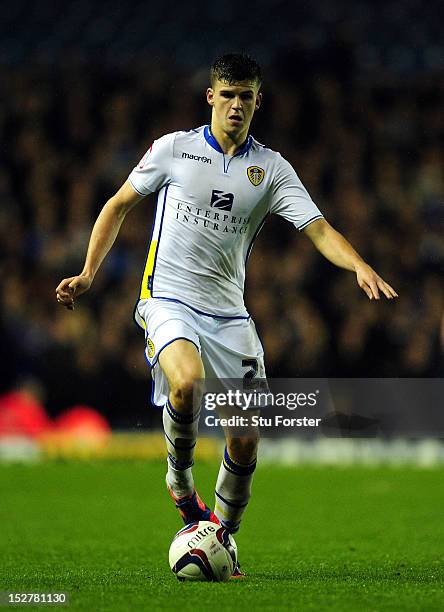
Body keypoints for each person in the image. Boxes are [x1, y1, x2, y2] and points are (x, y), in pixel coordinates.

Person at [56, 53, 398, 577]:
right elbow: (117, 204)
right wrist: (87, 274)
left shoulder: (272, 170)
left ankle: (219, 536)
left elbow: (320, 230)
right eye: (228, 94)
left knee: (244, 438)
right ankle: (180, 480)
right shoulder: (174, 150)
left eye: (246, 96)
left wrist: (359, 265)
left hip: (229, 317)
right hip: (167, 299)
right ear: (210, 97)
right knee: (186, 383)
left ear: (259, 101)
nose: (236, 104)